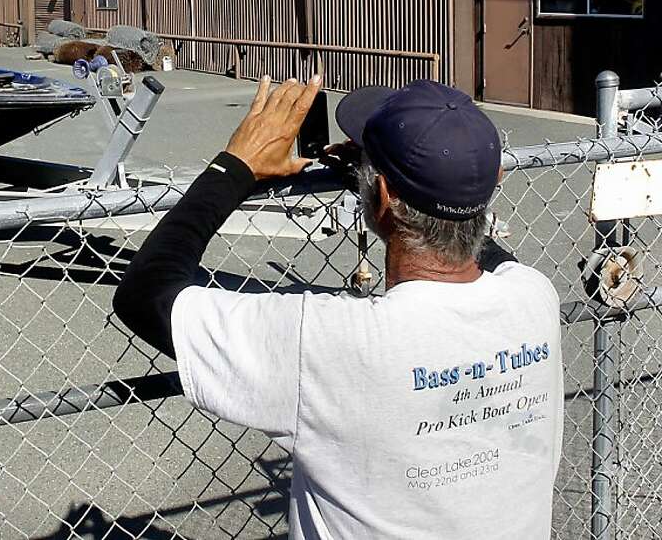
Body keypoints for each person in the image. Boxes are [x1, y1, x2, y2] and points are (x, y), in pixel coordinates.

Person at [113, 75, 562, 539]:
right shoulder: (535, 297)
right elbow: (473, 246)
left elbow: (146, 294)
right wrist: (387, 186)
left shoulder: (330, 342)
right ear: (495, 183)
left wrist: (236, 167)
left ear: (384, 197)